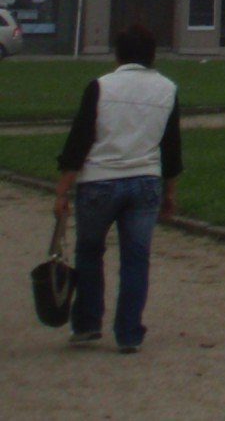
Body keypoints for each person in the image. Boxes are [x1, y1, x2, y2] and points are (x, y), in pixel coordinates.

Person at [54, 24, 182, 353]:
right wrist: (170, 192)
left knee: (89, 252)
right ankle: (128, 332)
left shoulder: (100, 86)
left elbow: (79, 140)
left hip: (100, 180)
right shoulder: (167, 89)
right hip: (145, 179)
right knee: (136, 258)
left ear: (118, 54)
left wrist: (62, 190)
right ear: (152, 55)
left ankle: (87, 323)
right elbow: (171, 147)